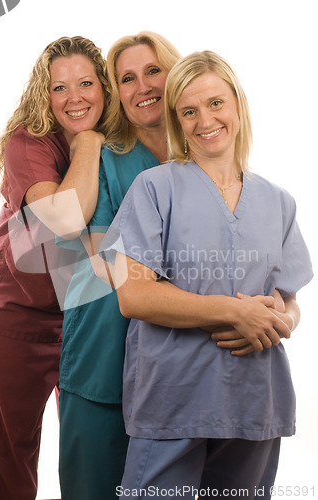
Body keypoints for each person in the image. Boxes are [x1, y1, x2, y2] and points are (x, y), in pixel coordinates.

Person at [99, 50, 313, 499]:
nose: (205, 120)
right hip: (173, 399)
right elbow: (133, 297)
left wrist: (281, 319)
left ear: (238, 104)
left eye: (216, 103)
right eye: (189, 111)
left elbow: (287, 298)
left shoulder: (278, 201)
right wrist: (234, 315)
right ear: (177, 121)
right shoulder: (155, 188)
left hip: (254, 399)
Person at [0, 36, 110, 500]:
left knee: (93, 449)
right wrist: (88, 144)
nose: (75, 98)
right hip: (18, 315)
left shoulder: (123, 139)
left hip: (86, 317)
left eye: (86, 83)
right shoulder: (27, 142)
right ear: (44, 95)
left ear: (105, 88)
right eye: (60, 88)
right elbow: (65, 220)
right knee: (8, 453)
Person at [55, 32, 181, 500]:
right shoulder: (103, 157)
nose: (141, 87)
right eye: (126, 78)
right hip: (100, 359)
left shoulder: (204, 155)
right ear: (115, 92)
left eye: (152, 71)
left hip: (174, 367)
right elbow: (100, 254)